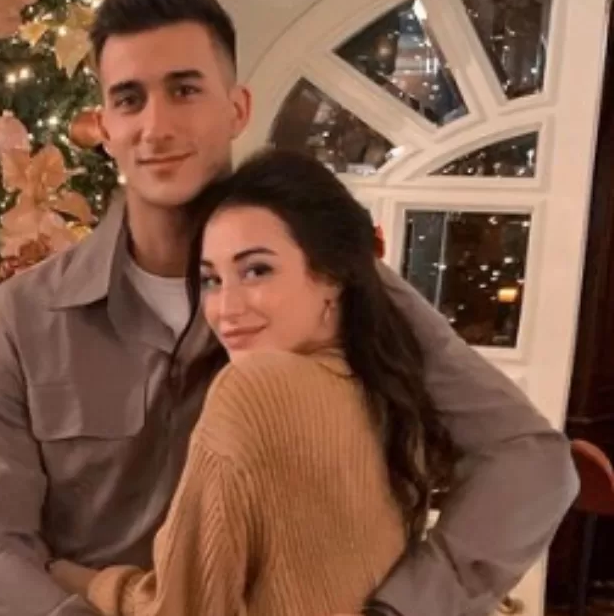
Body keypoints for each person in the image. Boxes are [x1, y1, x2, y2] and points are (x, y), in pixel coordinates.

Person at [0, 0, 578, 614]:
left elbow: (531, 462)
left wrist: (405, 606)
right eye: (130, 99)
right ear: (104, 128)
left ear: (237, 108)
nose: (156, 126)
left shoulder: (333, 285)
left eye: (185, 90)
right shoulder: (24, 319)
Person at [46, 146, 459, 615]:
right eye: (211, 280)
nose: (226, 309)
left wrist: (88, 583)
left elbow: (182, 610)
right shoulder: (384, 393)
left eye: (257, 270)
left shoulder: (254, 389)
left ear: (331, 276)